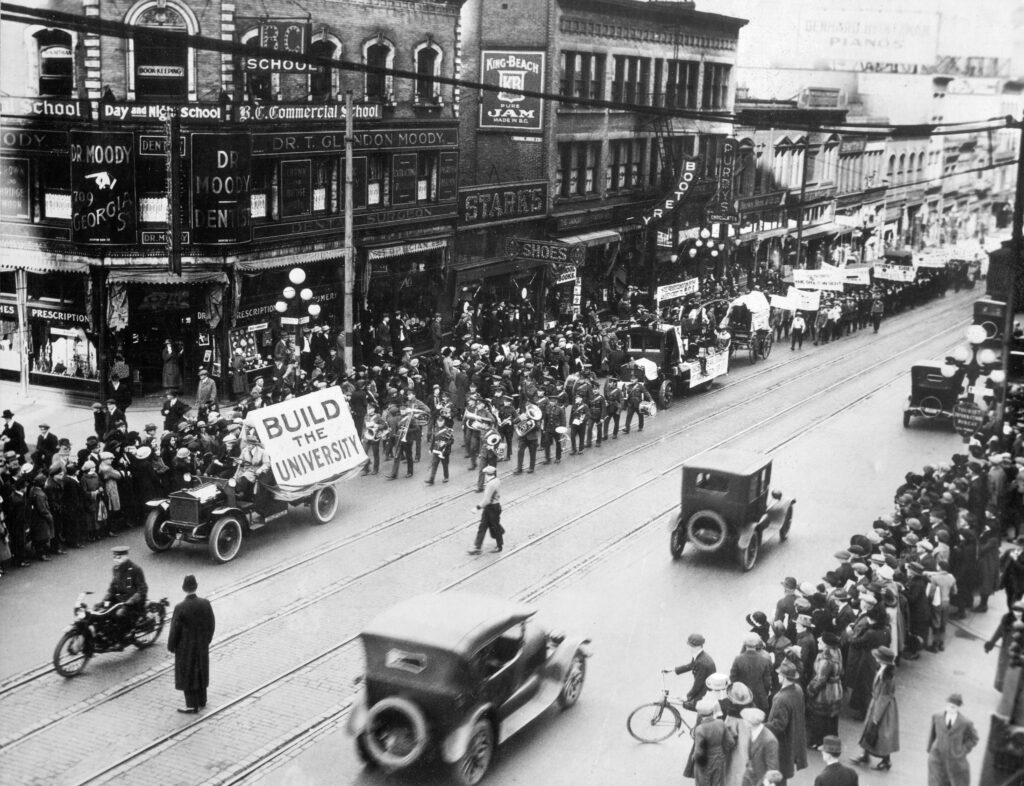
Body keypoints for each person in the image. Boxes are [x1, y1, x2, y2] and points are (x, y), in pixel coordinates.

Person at [167, 574, 216, 714]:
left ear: (184, 589)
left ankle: (191, 705)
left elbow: (174, 630)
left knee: (187, 674)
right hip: (201, 646)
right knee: (201, 671)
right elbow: (211, 624)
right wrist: (207, 640)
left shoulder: (180, 607)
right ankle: (202, 700)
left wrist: (172, 646)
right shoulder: (205, 603)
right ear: (196, 586)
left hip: (185, 648)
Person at [850, 646, 898, 772]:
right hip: (877, 703)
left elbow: (884, 697)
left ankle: (886, 761)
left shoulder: (887, 676)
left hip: (882, 707)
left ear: (882, 660)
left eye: (878, 657)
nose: (875, 658)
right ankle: (865, 755)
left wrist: (876, 716)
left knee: (880, 734)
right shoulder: (885, 670)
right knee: (870, 730)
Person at [766, 660, 807, 785]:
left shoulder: (781, 699)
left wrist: (761, 727)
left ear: (783, 677)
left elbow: (778, 725)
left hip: (781, 744)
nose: (778, 676)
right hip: (792, 739)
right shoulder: (798, 690)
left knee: (777, 776)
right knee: (782, 776)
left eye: (779, 674)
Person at [927, 693, 978, 786]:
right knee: (935, 782)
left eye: (954, 707)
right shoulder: (937, 717)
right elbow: (933, 733)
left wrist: (963, 750)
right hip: (937, 757)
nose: (951, 708)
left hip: (955, 760)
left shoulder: (965, 723)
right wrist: (930, 749)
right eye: (950, 706)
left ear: (958, 708)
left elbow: (974, 738)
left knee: (952, 782)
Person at [684, 697, 735, 786]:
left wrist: (694, 757)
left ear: (699, 714)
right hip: (719, 758)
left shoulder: (700, 729)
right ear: (712, 712)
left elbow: (698, 751)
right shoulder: (720, 723)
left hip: (704, 762)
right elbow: (730, 742)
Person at [806, 631, 844, 748]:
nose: (818, 640)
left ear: (826, 645)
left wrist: (810, 690)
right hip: (836, 690)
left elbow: (820, 679)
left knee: (819, 718)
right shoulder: (837, 652)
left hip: (825, 693)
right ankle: (831, 740)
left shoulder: (825, 659)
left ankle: (818, 742)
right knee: (831, 719)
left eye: (820, 641)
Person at [103, 545, 148, 639]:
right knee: (103, 612)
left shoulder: (135, 569)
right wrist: (104, 600)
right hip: (119, 600)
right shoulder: (116, 569)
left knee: (119, 614)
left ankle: (123, 637)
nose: (115, 559)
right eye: (114, 557)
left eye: (118, 557)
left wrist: (130, 602)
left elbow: (142, 589)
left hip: (132, 603)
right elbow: (113, 587)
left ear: (126, 557)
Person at [669, 633, 716, 711]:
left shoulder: (701, 662)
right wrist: (674, 669)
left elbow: (698, 684)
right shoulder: (700, 655)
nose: (689, 648)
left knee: (692, 709)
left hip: (705, 696)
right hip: (707, 690)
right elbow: (691, 665)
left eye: (690, 646)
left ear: (696, 647)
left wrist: (687, 696)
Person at [984, 600, 1024, 691]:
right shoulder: (1006, 620)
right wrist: (990, 644)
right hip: (1005, 651)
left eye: (1020, 611)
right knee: (1003, 672)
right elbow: (998, 633)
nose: (1017, 613)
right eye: (1015, 610)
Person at [731, 633, 773, 713]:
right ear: (757, 644)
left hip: (743, 697)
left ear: (745, 644)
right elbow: (767, 682)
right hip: (759, 698)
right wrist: (764, 693)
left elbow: (733, 679)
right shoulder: (764, 660)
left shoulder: (738, 659)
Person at [468, 465, 502, 554]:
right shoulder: (496, 480)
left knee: (495, 527)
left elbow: (486, 500)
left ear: (488, 474)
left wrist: (477, 508)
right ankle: (477, 547)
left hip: (492, 508)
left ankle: (499, 546)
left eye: (485, 474)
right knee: (483, 526)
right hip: (493, 507)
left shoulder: (490, 484)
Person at [742, 708, 779, 786]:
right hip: (749, 777)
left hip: (760, 781)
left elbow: (772, 769)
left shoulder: (770, 740)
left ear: (750, 723)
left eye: (744, 719)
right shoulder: (752, 732)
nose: (743, 721)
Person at [424, 416, 453, 485]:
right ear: (437, 421)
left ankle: (446, 477)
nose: (440, 423)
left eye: (441, 422)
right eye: (439, 422)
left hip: (444, 451)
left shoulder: (447, 430)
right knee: (434, 464)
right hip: (436, 449)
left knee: (445, 465)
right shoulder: (435, 429)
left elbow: (452, 440)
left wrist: (445, 443)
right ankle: (431, 479)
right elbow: (433, 440)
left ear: (443, 422)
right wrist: (431, 448)